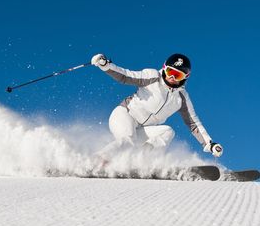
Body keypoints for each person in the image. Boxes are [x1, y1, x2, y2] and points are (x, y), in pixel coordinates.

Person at [91, 53, 223, 160]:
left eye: (177, 75)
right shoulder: (152, 76)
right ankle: (98, 160)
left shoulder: (182, 98)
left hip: (141, 130)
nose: (172, 77)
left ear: (184, 77)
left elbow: (193, 123)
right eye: (170, 71)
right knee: (128, 139)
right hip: (125, 115)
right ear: (164, 68)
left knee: (168, 132)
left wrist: (209, 144)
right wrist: (106, 65)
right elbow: (126, 76)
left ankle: (141, 160)